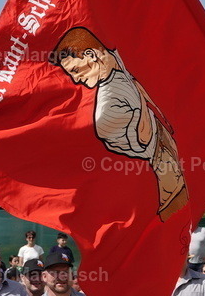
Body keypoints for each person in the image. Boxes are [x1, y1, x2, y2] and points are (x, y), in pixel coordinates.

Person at [52, 26, 187, 220]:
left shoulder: (128, 58)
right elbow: (145, 144)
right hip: (172, 189)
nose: (76, 79)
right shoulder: (107, 111)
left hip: (179, 167)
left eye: (75, 70)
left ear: (91, 54)